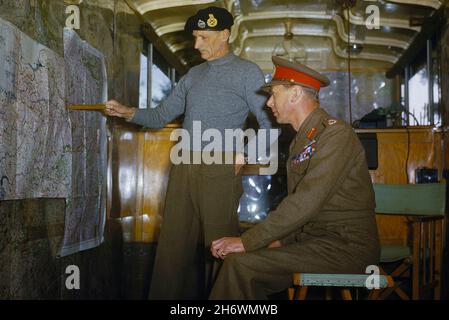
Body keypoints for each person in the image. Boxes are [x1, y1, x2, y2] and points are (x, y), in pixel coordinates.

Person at [103, 6, 274, 299]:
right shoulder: (193, 75)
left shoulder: (248, 72)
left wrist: (244, 154)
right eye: (195, 37)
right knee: (171, 249)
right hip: (184, 167)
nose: (197, 45)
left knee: (221, 249)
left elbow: (269, 121)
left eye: (204, 38)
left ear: (224, 34)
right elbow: (160, 115)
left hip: (219, 168)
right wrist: (127, 112)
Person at [209, 56, 380, 299]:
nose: (269, 103)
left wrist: (248, 241)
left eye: (274, 94)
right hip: (314, 242)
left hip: (346, 247)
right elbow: (301, 207)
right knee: (241, 262)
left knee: (241, 265)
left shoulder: (336, 135)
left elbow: (306, 202)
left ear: (295, 94)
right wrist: (276, 240)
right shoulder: (303, 140)